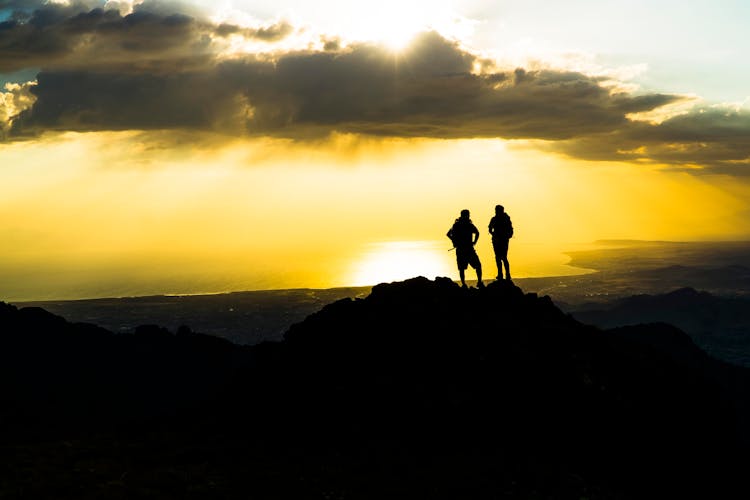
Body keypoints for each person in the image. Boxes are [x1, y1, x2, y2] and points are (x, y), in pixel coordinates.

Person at [447, 209, 483, 288]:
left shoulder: (462, 224)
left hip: (465, 249)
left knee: (472, 266)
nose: (469, 216)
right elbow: (449, 234)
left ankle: (476, 282)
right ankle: (466, 284)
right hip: (465, 249)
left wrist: (474, 242)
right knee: (464, 268)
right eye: (468, 214)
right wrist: (455, 241)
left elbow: (449, 234)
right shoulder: (461, 225)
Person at [488, 204, 513, 281]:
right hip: (498, 240)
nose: (496, 212)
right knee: (499, 257)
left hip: (502, 240)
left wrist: (506, 236)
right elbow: (490, 228)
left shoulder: (504, 219)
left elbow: (510, 230)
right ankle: (501, 274)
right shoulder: (496, 219)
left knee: (502, 257)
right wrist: (494, 234)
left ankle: (505, 275)